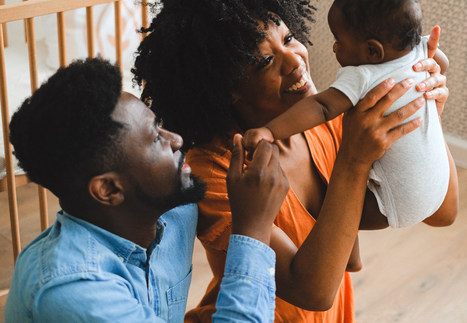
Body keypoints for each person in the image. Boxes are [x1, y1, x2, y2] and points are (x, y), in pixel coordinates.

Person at [132, 0, 458, 322]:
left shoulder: (323, 119)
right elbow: (312, 291)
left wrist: (424, 111)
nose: (296, 60)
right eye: (265, 61)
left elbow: (442, 212)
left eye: (289, 38)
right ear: (227, 89)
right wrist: (353, 159)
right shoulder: (214, 171)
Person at [4, 57, 290, 323]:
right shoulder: (72, 288)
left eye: (161, 126)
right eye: (156, 138)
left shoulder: (174, 212)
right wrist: (253, 228)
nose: (176, 140)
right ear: (108, 189)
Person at [243, 0, 454, 229]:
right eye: (266, 60)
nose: (334, 47)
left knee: (337, 211)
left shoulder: (363, 76)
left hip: (396, 202)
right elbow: (441, 62)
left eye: (339, 40)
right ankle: (350, 256)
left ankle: (339, 242)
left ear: (372, 52)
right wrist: (430, 64)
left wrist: (268, 131)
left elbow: (321, 106)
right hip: (437, 183)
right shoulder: (420, 49)